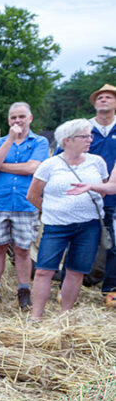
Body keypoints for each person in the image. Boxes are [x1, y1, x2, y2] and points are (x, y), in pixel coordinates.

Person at [27, 120, 107, 319]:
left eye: (90, 136)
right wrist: (54, 211)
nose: (90, 140)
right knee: (43, 271)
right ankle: (36, 317)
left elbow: (103, 190)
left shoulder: (97, 162)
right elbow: (33, 195)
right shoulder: (49, 165)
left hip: (89, 226)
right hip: (56, 226)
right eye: (85, 136)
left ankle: (65, 317)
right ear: (67, 140)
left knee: (75, 271)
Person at [0, 102, 50, 309]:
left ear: (30, 118)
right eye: (13, 117)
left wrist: (3, 166)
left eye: (21, 116)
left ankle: (24, 291)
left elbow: (33, 168)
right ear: (8, 120)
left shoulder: (40, 142)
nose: (17, 121)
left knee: (22, 250)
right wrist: (10, 139)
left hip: (24, 202)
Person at [84, 84, 116, 296]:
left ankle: (110, 289)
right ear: (95, 103)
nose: (103, 100)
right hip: (85, 196)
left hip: (114, 197)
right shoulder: (83, 128)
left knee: (113, 245)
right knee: (79, 241)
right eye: (100, 97)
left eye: (108, 97)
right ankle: (69, 285)